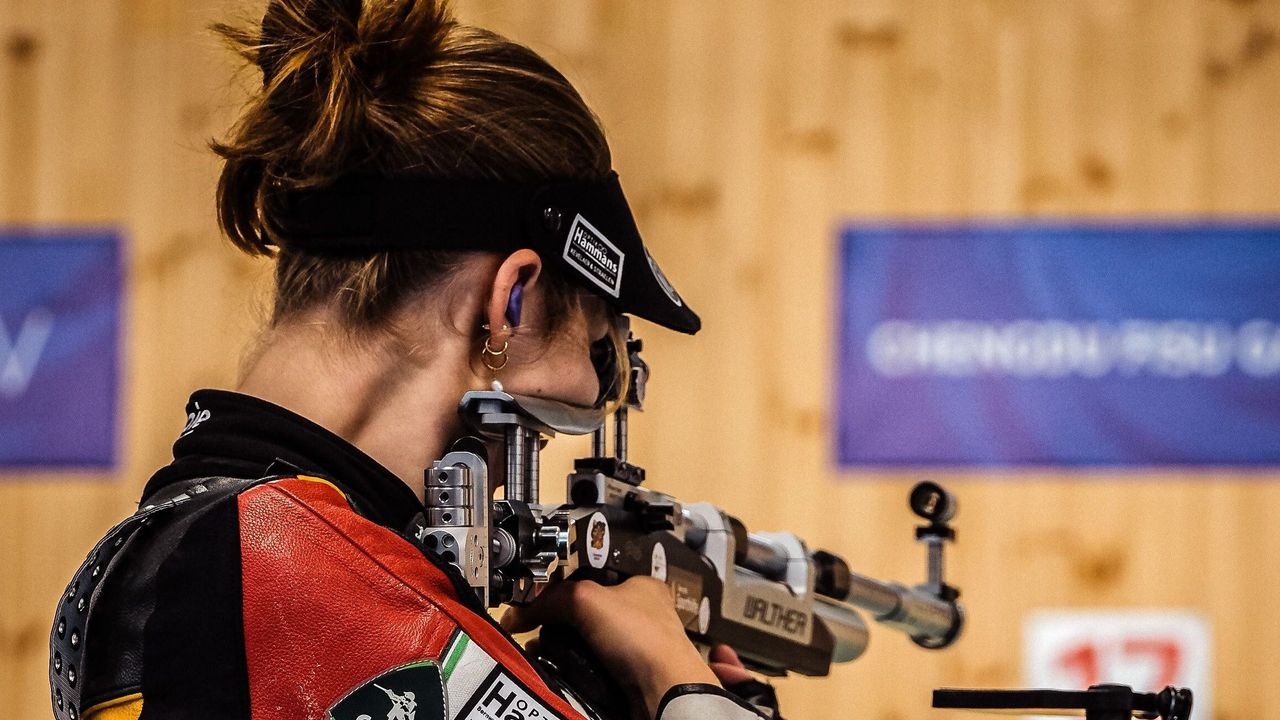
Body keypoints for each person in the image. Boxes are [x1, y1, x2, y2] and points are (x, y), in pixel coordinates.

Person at [47, 2, 775, 719]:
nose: (592, 389)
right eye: (600, 346)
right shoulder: (284, 558)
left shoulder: (189, 542)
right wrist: (680, 681)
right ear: (509, 304)